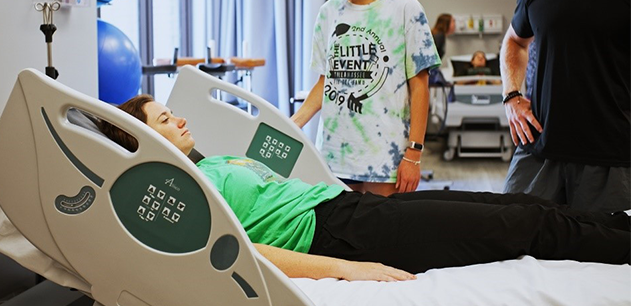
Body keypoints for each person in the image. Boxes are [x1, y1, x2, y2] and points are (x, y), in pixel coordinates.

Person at [98, 94, 631, 282]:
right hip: (339, 236)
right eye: (166, 120)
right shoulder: (181, 195)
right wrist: (346, 269)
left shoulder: (210, 162)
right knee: (520, 225)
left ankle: (618, 225)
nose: (181, 120)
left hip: (345, 208)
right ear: (145, 140)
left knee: (512, 203)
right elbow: (239, 251)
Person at [290, 0, 441, 197]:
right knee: (336, 236)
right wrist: (292, 124)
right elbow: (327, 83)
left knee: (380, 237)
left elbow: (419, 87)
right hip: (333, 153)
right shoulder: (329, 12)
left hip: (384, 154)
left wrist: (414, 154)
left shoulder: (405, 8)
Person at [500, 0, 630, 213]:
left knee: (606, 256)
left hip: (611, 159)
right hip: (539, 152)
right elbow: (514, 41)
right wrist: (512, 96)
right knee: (513, 243)